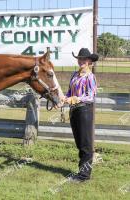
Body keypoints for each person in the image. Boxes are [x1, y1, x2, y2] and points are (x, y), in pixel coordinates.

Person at [64, 48, 98, 182]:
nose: (81, 61)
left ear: (89, 61)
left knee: (85, 144)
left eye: (84, 59)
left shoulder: (90, 77)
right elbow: (69, 92)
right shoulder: (74, 74)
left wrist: (76, 99)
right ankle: (82, 171)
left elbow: (91, 96)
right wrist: (64, 99)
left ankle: (84, 176)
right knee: (79, 143)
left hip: (84, 110)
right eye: (79, 59)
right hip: (74, 111)